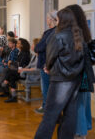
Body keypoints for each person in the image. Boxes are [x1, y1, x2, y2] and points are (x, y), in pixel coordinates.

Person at [34, 8, 84, 139]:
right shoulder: (78, 34)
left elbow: (50, 56)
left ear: (61, 19)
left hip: (60, 79)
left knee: (49, 115)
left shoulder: (58, 35)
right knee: (70, 114)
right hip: (75, 79)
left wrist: (48, 67)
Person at [66, 4, 95, 139]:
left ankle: (80, 134)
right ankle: (82, 132)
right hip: (85, 76)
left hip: (77, 77)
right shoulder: (84, 32)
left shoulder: (75, 35)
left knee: (77, 107)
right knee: (82, 106)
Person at [34, 10, 58, 114]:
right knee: (49, 88)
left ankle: (46, 108)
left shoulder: (49, 32)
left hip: (46, 64)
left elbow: (39, 47)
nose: (46, 20)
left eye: (47, 18)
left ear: (51, 20)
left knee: (46, 88)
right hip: (51, 64)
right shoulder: (57, 31)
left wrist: (37, 47)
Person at [0, 38, 31, 102]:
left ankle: (4, 84)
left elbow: (21, 64)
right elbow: (18, 63)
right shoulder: (21, 52)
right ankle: (13, 96)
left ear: (22, 45)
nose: (17, 44)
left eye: (18, 43)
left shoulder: (25, 53)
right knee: (11, 75)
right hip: (20, 71)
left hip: (24, 73)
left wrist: (11, 63)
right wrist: (12, 63)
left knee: (9, 71)